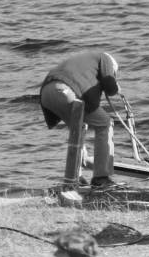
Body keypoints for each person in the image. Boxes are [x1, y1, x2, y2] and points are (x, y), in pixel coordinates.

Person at [40, 52, 119, 188]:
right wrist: (115, 87)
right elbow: (109, 83)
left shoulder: (85, 60)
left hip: (46, 92)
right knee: (105, 123)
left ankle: (76, 176)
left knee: (78, 129)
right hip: (66, 90)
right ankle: (101, 177)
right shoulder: (104, 58)